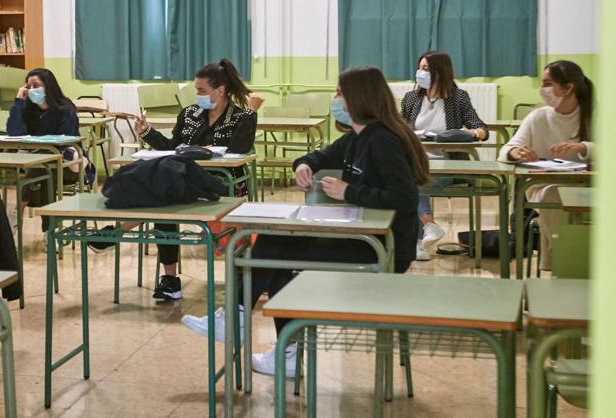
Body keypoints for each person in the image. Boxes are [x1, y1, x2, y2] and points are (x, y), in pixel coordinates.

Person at [180, 66, 428, 378]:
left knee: (276, 257)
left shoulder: (383, 140)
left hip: (384, 248)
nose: (335, 98)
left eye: (339, 92)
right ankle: (261, 335)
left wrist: (350, 190)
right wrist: (303, 165)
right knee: (271, 241)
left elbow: (404, 198)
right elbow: (318, 156)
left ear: (359, 97)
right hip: (361, 237)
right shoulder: (357, 137)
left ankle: (250, 329)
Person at [130, 58, 257, 302]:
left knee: (162, 190)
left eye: (201, 90)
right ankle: (170, 279)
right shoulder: (189, 114)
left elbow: (239, 152)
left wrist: (250, 112)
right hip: (182, 182)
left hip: (222, 183)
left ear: (220, 91)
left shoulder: (242, 117)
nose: (196, 94)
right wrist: (147, 132)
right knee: (164, 195)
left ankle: (119, 227)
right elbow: (170, 147)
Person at [498, 60, 594, 270]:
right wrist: (516, 152)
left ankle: (564, 262)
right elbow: (505, 150)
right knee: (555, 194)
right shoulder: (537, 117)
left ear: (568, 88)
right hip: (543, 186)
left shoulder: (592, 115)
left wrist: (582, 148)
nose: (542, 89)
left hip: (584, 184)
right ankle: (564, 261)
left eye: (548, 83)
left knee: (564, 197)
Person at [399, 51, 488, 260]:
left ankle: (420, 240)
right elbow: (399, 129)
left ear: (441, 72)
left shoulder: (458, 98)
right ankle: (427, 227)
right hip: (416, 163)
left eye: (426, 69)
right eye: (419, 68)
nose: (420, 73)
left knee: (410, 182)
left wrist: (473, 133)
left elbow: (480, 127)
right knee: (408, 178)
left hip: (448, 166)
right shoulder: (411, 98)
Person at [6, 67, 84, 206]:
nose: (32, 90)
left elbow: (65, 141)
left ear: (49, 86)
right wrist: (18, 101)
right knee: (44, 170)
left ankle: (18, 212)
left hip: (68, 164)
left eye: (36, 86)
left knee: (42, 169)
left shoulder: (65, 109)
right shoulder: (29, 110)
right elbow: (15, 134)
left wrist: (35, 149)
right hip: (41, 163)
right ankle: (48, 225)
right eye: (28, 87)